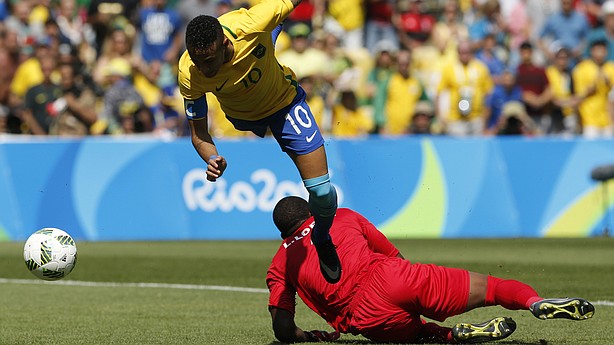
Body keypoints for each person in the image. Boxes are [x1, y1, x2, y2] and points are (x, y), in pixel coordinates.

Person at [267, 196, 595, 344]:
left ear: (283, 232)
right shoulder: (343, 216)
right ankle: (535, 303)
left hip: (366, 317)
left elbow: (283, 328)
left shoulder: (281, 262)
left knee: (419, 336)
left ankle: (453, 335)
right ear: (312, 212)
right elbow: (393, 253)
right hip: (394, 277)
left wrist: (309, 336)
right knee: (492, 288)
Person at [178, 0, 341, 284]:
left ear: (225, 44)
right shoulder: (188, 71)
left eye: (209, 61)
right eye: (197, 60)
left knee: (323, 192)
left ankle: (322, 236)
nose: (203, 69)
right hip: (243, 118)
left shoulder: (251, 24)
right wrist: (211, 156)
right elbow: (199, 134)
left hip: (284, 106)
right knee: (264, 39)